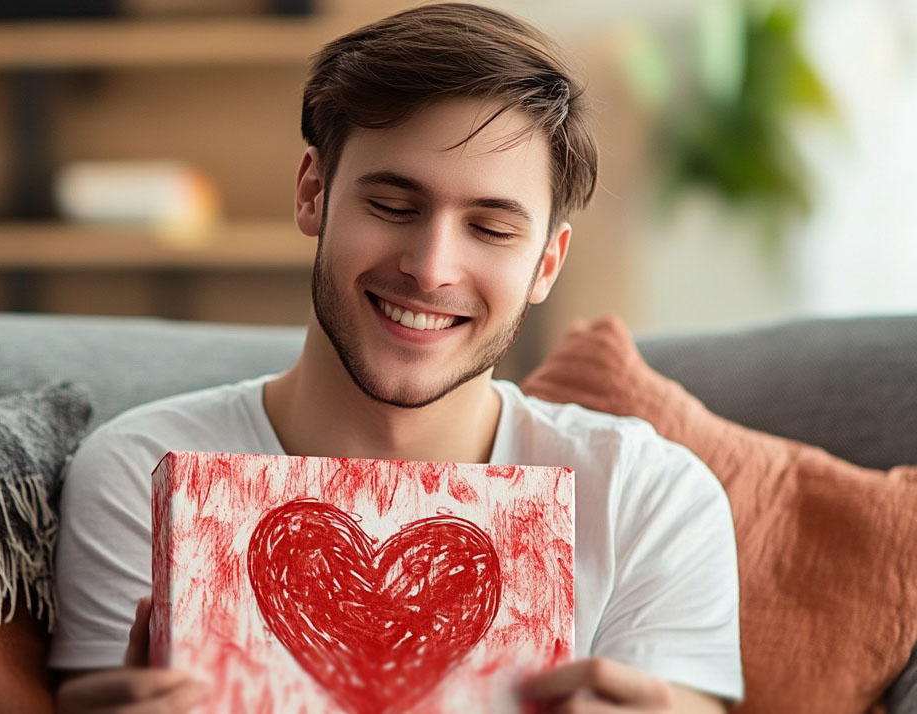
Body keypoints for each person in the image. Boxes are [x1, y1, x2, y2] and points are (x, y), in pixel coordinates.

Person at [48, 3, 743, 712]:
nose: (431, 268)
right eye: (392, 205)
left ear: (547, 265)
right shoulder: (143, 474)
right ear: (313, 193)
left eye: (491, 228)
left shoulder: (648, 499)